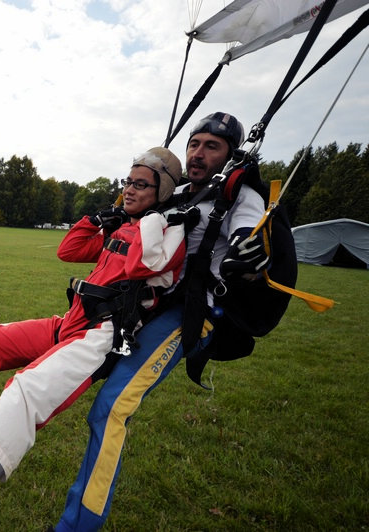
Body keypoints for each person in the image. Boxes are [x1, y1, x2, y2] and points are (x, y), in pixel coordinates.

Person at [0, 147, 192, 512]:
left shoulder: (170, 231)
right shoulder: (123, 226)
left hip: (101, 335)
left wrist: (151, 217)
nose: (129, 190)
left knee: (29, 390)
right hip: (72, 321)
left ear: (165, 191)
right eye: (128, 181)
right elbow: (69, 249)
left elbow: (142, 264)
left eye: (141, 184)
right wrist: (98, 218)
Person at [54, 112, 269, 531]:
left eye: (212, 146)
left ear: (230, 154)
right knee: (57, 343)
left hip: (188, 315)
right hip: (143, 306)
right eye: (194, 143)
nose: (198, 153)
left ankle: (77, 525)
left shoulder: (242, 196)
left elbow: (249, 237)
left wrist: (248, 252)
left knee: (111, 408)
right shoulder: (183, 193)